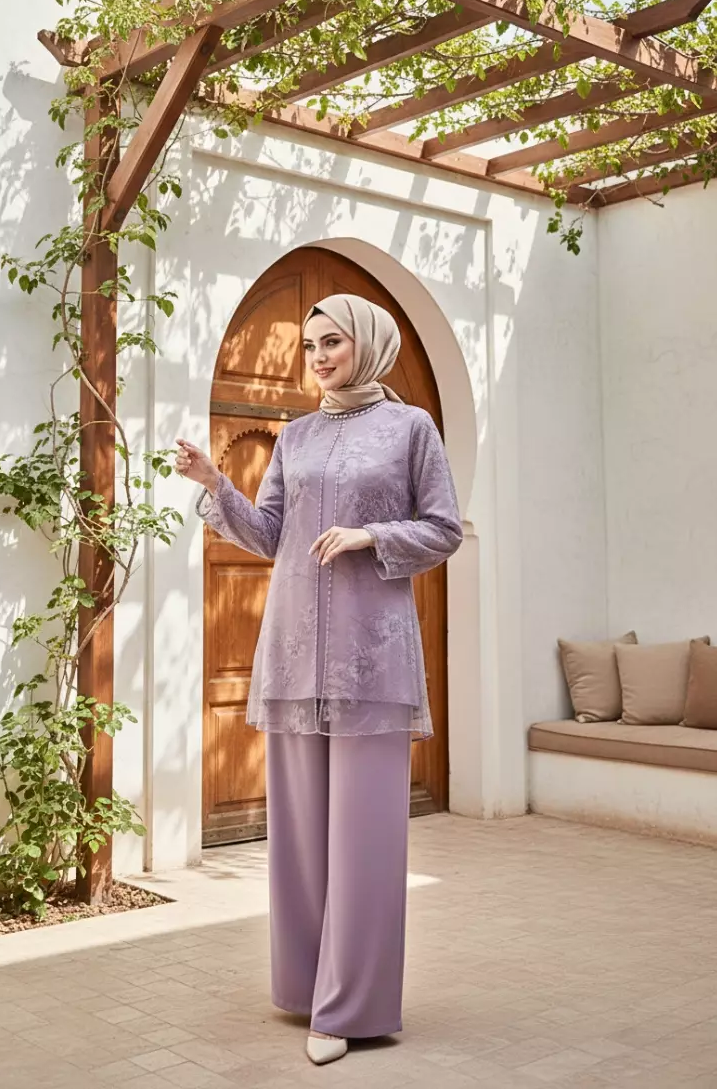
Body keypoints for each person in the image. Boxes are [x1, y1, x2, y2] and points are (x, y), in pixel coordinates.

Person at [175, 293, 463, 1066]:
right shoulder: (296, 435)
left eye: (333, 342)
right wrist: (215, 482)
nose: (319, 357)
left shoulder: (410, 428)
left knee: (365, 840)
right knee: (300, 838)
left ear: (367, 343)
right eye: (309, 346)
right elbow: (271, 534)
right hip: (295, 654)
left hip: (372, 657)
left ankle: (351, 1007)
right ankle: (305, 988)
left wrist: (372, 534)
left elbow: (444, 528)